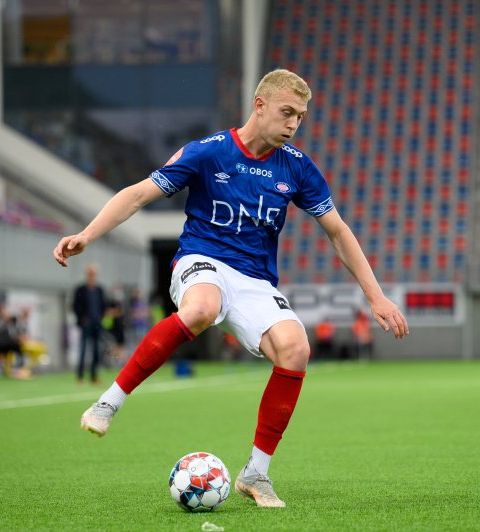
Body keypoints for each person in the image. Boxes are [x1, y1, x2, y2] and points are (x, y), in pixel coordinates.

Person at [53, 69, 409, 508]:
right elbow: (137, 195)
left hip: (255, 280)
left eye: (300, 116)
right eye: (286, 112)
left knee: (296, 350)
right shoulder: (209, 153)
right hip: (202, 261)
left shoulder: (297, 167)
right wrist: (88, 235)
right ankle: (108, 403)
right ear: (259, 106)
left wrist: (375, 295)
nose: (294, 123)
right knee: (202, 307)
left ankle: (255, 475)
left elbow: (337, 231)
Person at [73, 264, 106, 384]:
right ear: (87, 274)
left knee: (96, 351)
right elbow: (75, 306)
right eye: (90, 273)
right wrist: (82, 318)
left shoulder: (99, 290)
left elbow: (103, 306)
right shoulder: (80, 289)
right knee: (83, 350)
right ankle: (80, 377)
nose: (92, 276)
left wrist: (101, 317)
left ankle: (94, 376)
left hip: (96, 324)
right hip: (85, 324)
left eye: (94, 273)